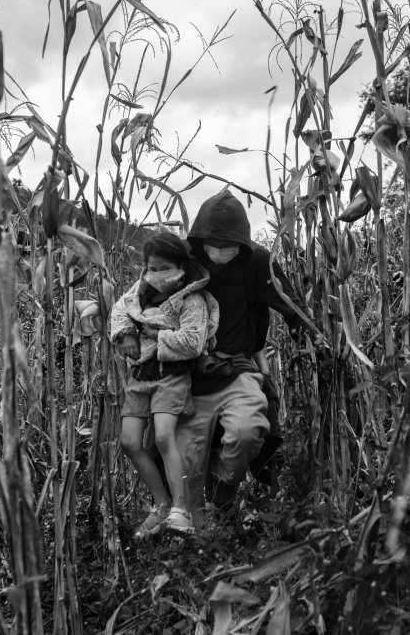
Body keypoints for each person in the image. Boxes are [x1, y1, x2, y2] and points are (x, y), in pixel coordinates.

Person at [177, 190, 309, 527]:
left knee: (247, 432)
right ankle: (203, 526)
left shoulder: (257, 263)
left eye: (228, 244)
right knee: (187, 460)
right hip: (191, 375)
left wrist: (311, 337)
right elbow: (146, 296)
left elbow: (292, 306)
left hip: (238, 368)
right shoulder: (185, 261)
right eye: (212, 243)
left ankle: (225, 488)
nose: (219, 251)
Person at [110, 232, 219, 538]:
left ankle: (180, 509)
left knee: (163, 437)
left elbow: (193, 342)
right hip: (140, 376)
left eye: (164, 267)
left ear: (181, 266)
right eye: (151, 268)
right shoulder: (139, 293)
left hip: (171, 376)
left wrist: (156, 334)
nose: (156, 275)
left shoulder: (192, 299)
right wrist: (126, 334)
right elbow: (121, 311)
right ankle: (161, 503)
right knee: (130, 442)